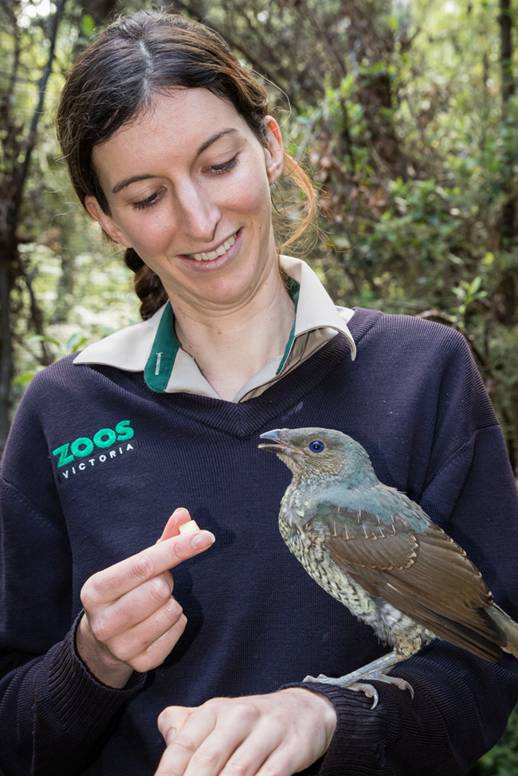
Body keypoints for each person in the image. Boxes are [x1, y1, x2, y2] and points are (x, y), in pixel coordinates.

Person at [0, 9, 517, 776]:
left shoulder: (424, 372)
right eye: (146, 197)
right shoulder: (65, 411)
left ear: (270, 147)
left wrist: (328, 716)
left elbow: (486, 674)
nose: (200, 218)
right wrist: (92, 660)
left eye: (218, 164)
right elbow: (15, 731)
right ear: (104, 220)